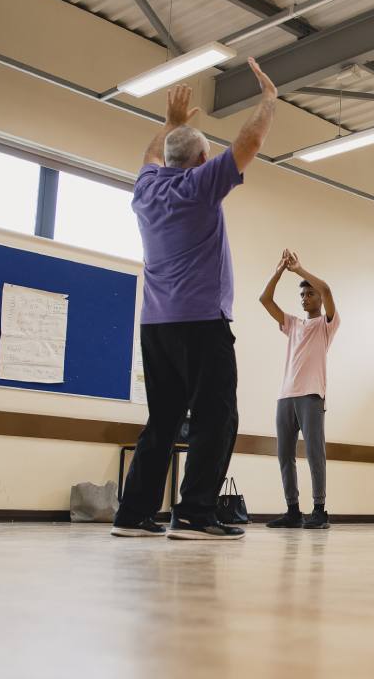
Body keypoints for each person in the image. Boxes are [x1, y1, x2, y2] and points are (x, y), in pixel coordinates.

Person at [110, 59, 277, 540]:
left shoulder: (145, 191)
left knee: (162, 419)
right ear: (204, 160)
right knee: (216, 417)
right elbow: (249, 143)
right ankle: (195, 514)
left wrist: (170, 123)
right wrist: (268, 100)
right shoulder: (200, 187)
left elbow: (151, 154)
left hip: (155, 326)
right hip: (202, 322)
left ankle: (133, 514)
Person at [259, 249, 340, 530]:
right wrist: (279, 271)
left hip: (312, 395)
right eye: (302, 295)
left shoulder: (327, 324)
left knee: (315, 452)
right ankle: (293, 511)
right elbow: (265, 299)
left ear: (319, 299)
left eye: (309, 294)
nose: (305, 298)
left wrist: (299, 270)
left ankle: (320, 510)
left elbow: (326, 289)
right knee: (285, 454)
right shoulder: (292, 323)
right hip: (286, 396)